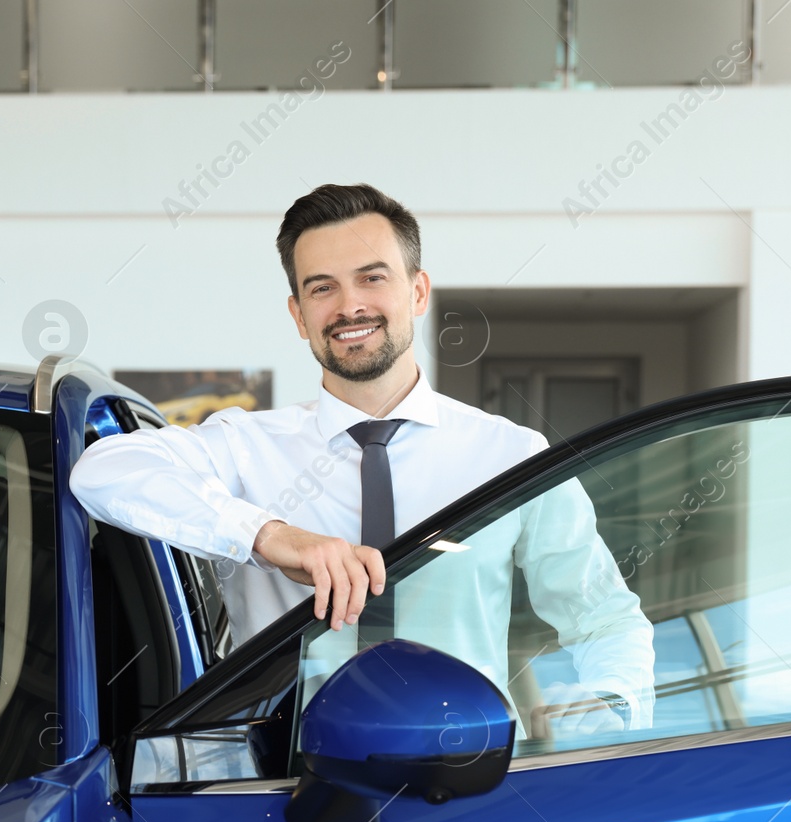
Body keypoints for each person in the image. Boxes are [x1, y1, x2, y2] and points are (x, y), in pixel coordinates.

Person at [71, 184, 653, 738]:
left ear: (418, 292)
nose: (350, 306)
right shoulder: (246, 445)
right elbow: (102, 471)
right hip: (285, 792)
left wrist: (610, 701)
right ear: (299, 315)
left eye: (372, 278)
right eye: (322, 288)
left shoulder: (512, 454)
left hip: (471, 787)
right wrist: (269, 535)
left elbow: (604, 616)